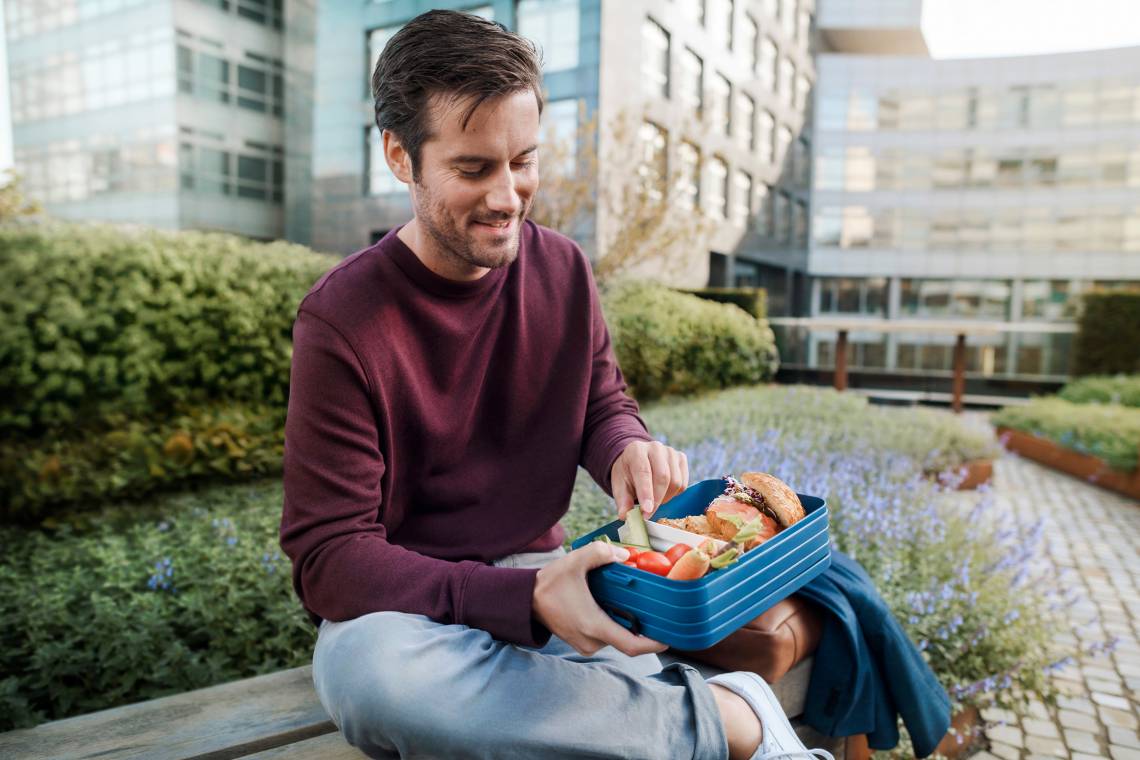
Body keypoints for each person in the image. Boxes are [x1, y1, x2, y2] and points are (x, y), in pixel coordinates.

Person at [280, 10, 833, 760]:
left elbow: (601, 405)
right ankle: (738, 722)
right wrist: (517, 602)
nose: (508, 195)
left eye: (525, 160)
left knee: (522, 676)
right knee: (375, 680)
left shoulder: (564, 270)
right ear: (401, 157)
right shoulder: (341, 320)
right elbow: (329, 558)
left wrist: (626, 449)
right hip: (403, 608)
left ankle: (644, 715)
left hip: (545, 577)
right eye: (474, 169)